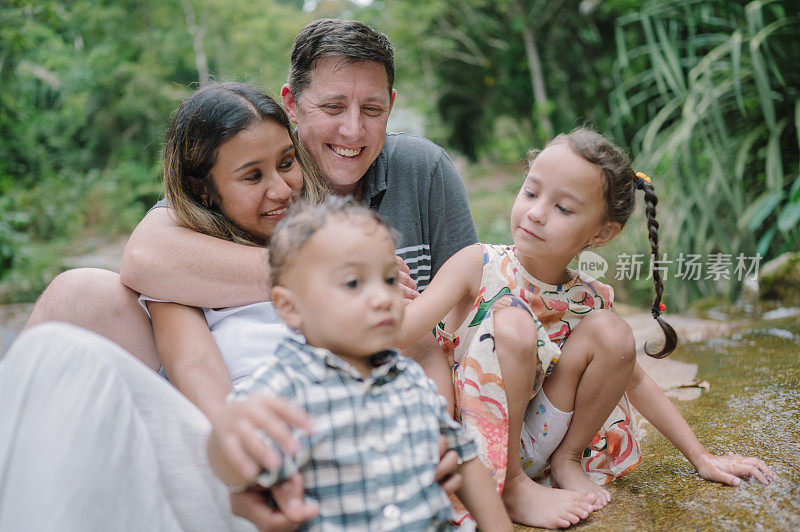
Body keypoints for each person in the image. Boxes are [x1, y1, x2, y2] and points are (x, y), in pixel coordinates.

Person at [24, 19, 475, 528]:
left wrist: (431, 426)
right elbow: (194, 363)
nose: (280, 189)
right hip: (241, 448)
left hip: (342, 445)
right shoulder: (195, 259)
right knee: (67, 312)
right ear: (207, 190)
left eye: (286, 165)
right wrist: (238, 444)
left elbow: (415, 342)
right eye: (252, 176)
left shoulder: (343, 221)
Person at [392, 128, 777, 529]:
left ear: (601, 233)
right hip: (476, 442)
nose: (537, 212)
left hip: (541, 438)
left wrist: (701, 457)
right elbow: (403, 333)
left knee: (613, 332)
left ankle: (566, 460)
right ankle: (512, 486)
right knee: (511, 319)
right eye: (530, 193)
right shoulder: (478, 264)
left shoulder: (587, 297)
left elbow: (637, 381)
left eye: (563, 208)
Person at [207, 196, 512, 531]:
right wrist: (224, 435)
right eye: (353, 283)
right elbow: (237, 467)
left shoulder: (409, 378)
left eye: (389, 279)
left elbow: (464, 458)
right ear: (290, 307)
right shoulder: (282, 389)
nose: (383, 298)